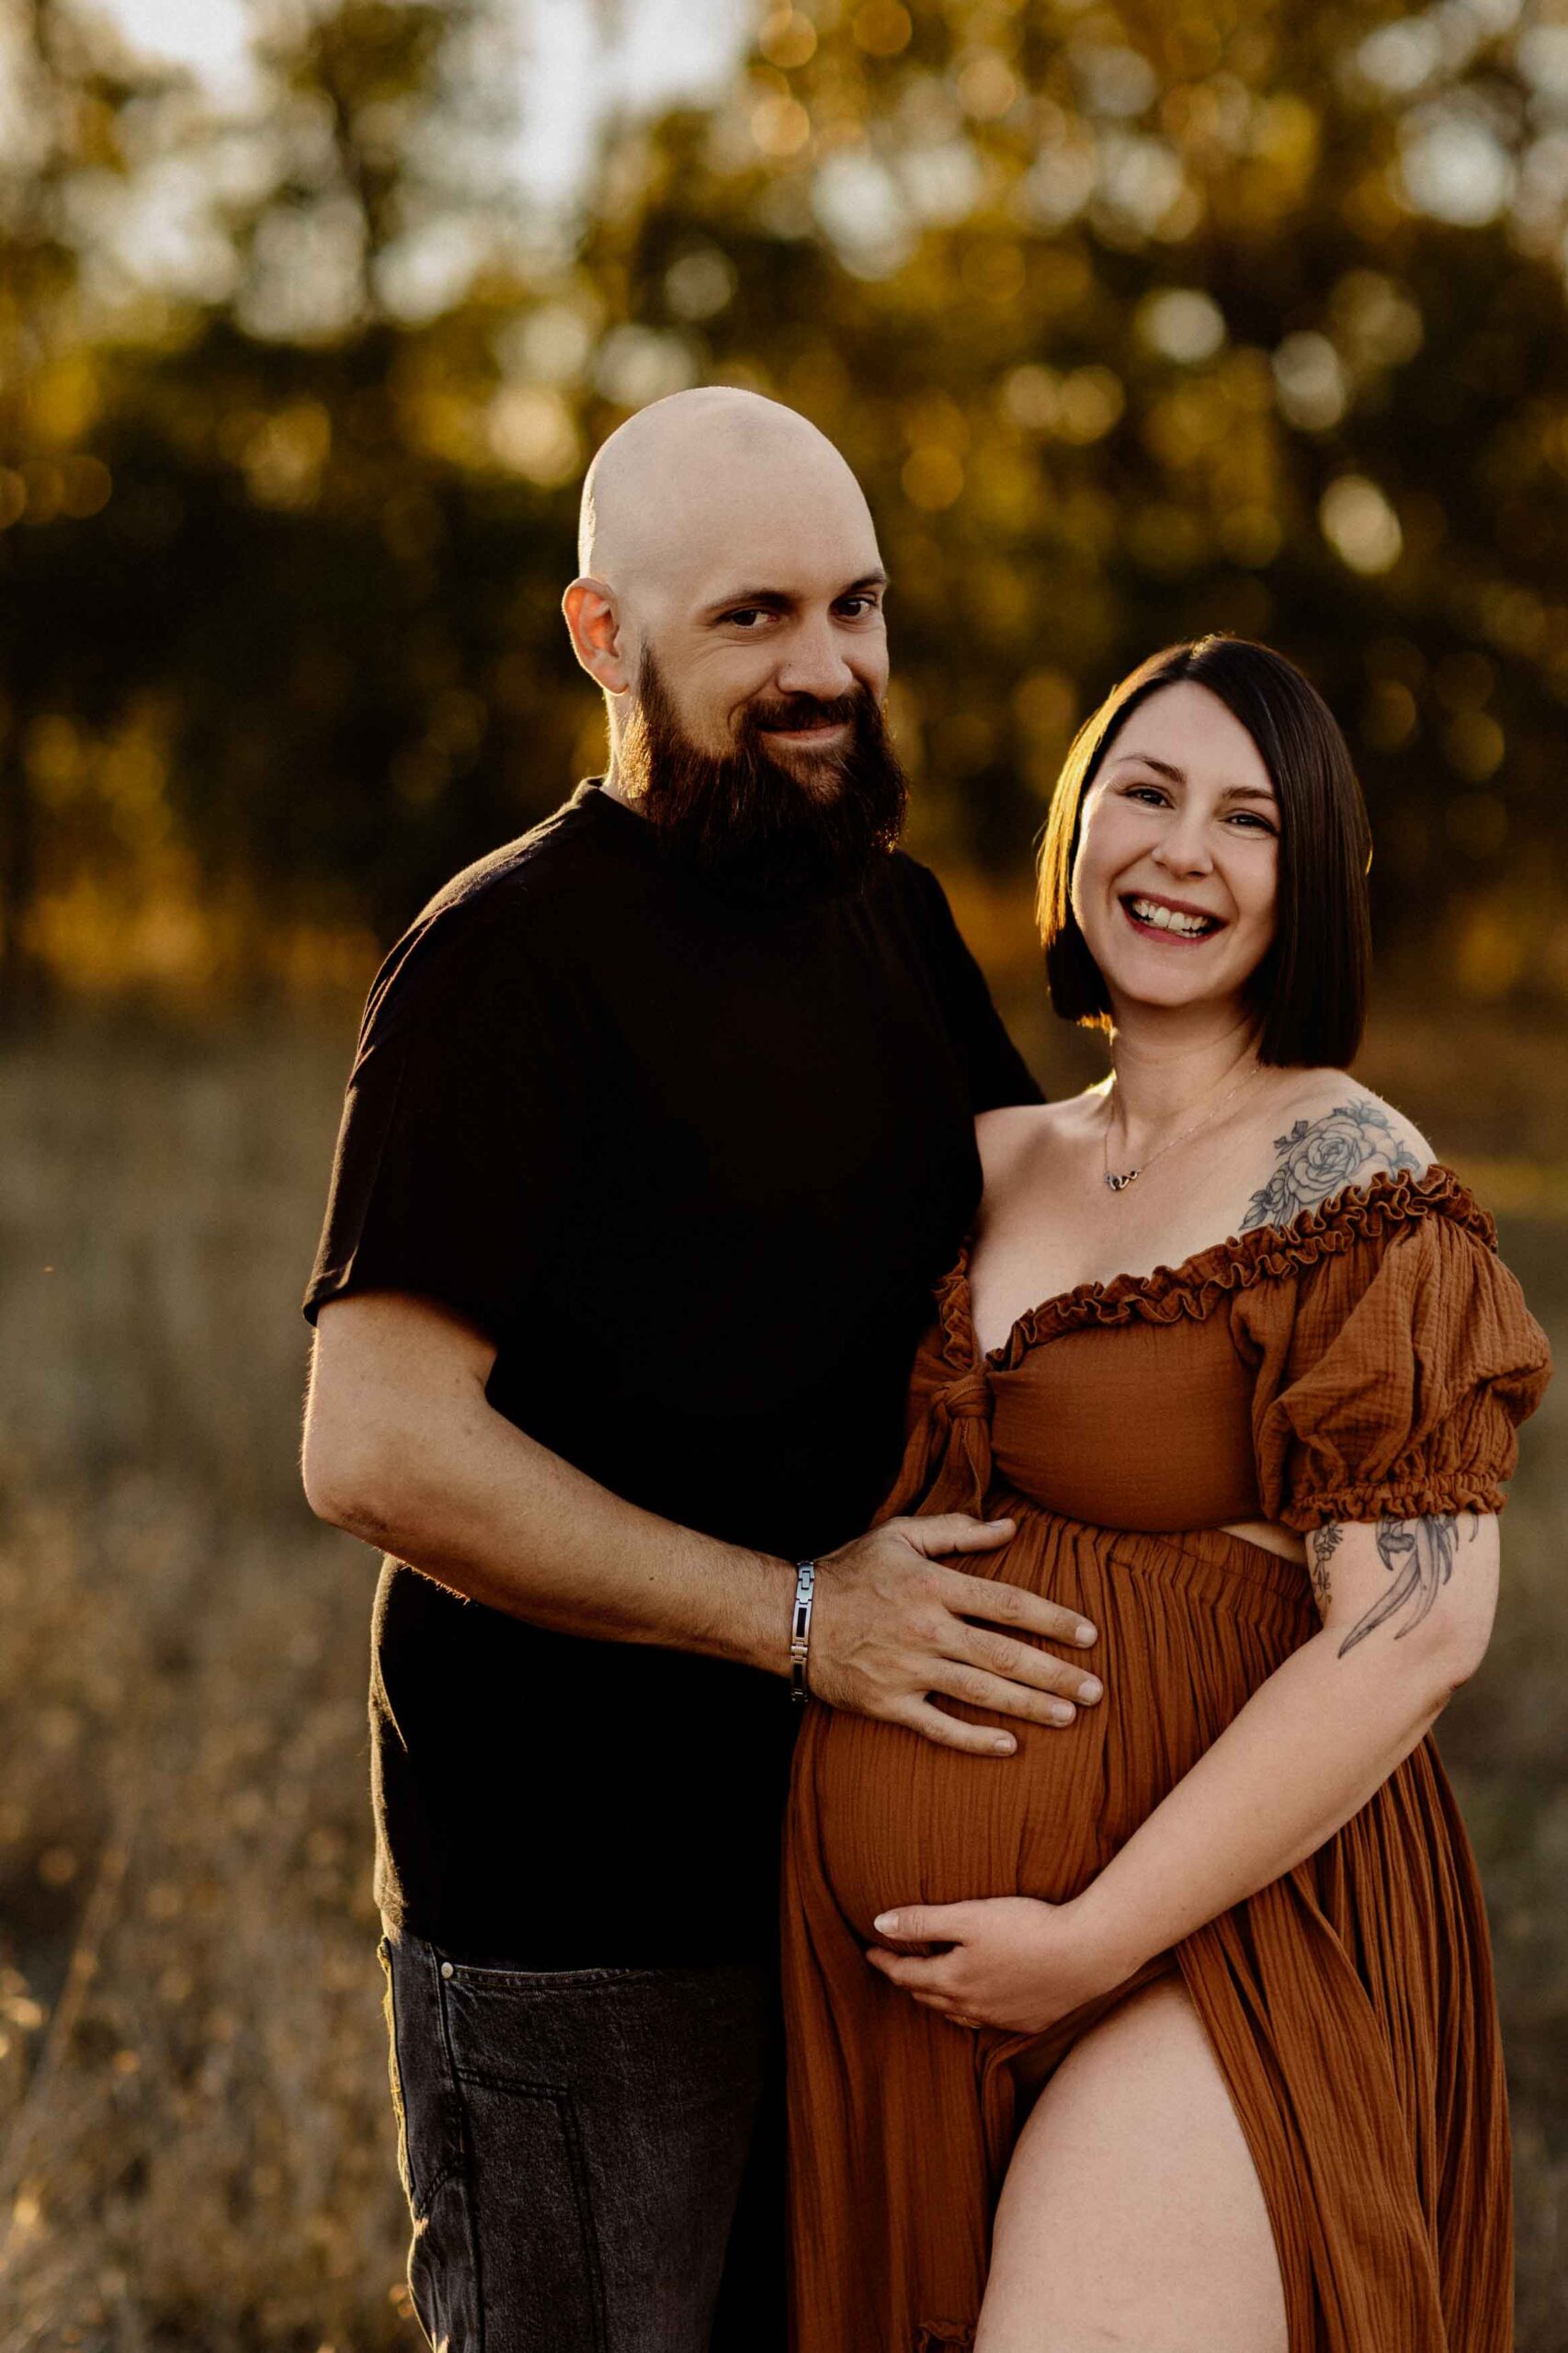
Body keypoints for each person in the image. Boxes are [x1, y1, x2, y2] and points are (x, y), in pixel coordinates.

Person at [298, 388, 1105, 2352]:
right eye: (753, 618)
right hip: (583, 1921)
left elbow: (1059, 1240)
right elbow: (377, 1445)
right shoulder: (503, 962)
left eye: (860, 605)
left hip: (865, 1882)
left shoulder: (889, 918)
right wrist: (799, 1615)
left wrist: (1315, 1142)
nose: (826, 667)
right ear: (602, 636)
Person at [783, 635, 1551, 2353]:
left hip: (1217, 1943)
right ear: (1076, 829)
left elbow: (1415, 1637)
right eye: (1143, 791)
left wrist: (1092, 1933)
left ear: (1310, 882)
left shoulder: (1353, 1175)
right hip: (911, 1992)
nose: (1180, 850)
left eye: (1246, 818)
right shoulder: (984, 1159)